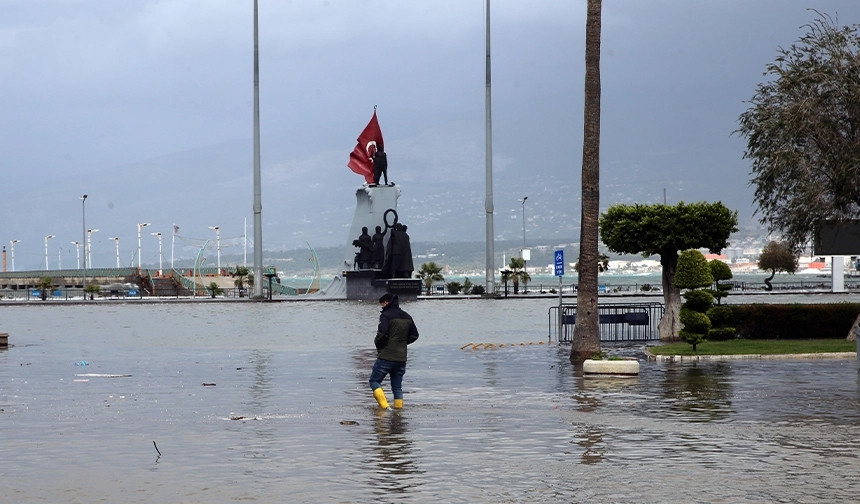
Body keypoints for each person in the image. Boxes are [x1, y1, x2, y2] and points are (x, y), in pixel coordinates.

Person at [369, 293, 419, 410]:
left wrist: (378, 344)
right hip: (401, 358)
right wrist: (402, 343)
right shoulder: (407, 316)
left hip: (386, 356)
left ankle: (386, 408)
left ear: (387, 302)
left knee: (374, 381)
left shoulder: (385, 316)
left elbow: (382, 334)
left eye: (382, 303)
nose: (382, 306)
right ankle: (398, 412)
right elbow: (415, 335)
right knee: (397, 388)